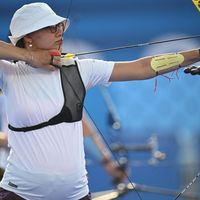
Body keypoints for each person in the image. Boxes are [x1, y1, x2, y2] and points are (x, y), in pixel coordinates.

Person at [0, 2, 199, 200]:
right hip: (21, 193)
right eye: (51, 27)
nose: (59, 31)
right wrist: (29, 57)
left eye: (60, 26)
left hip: (75, 194)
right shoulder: (9, 72)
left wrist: (197, 54)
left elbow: (143, 68)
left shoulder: (78, 69)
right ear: (28, 36)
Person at [82, 113, 127, 185]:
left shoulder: (105, 159)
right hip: (86, 133)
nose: (111, 174)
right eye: (116, 177)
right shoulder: (106, 158)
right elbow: (92, 135)